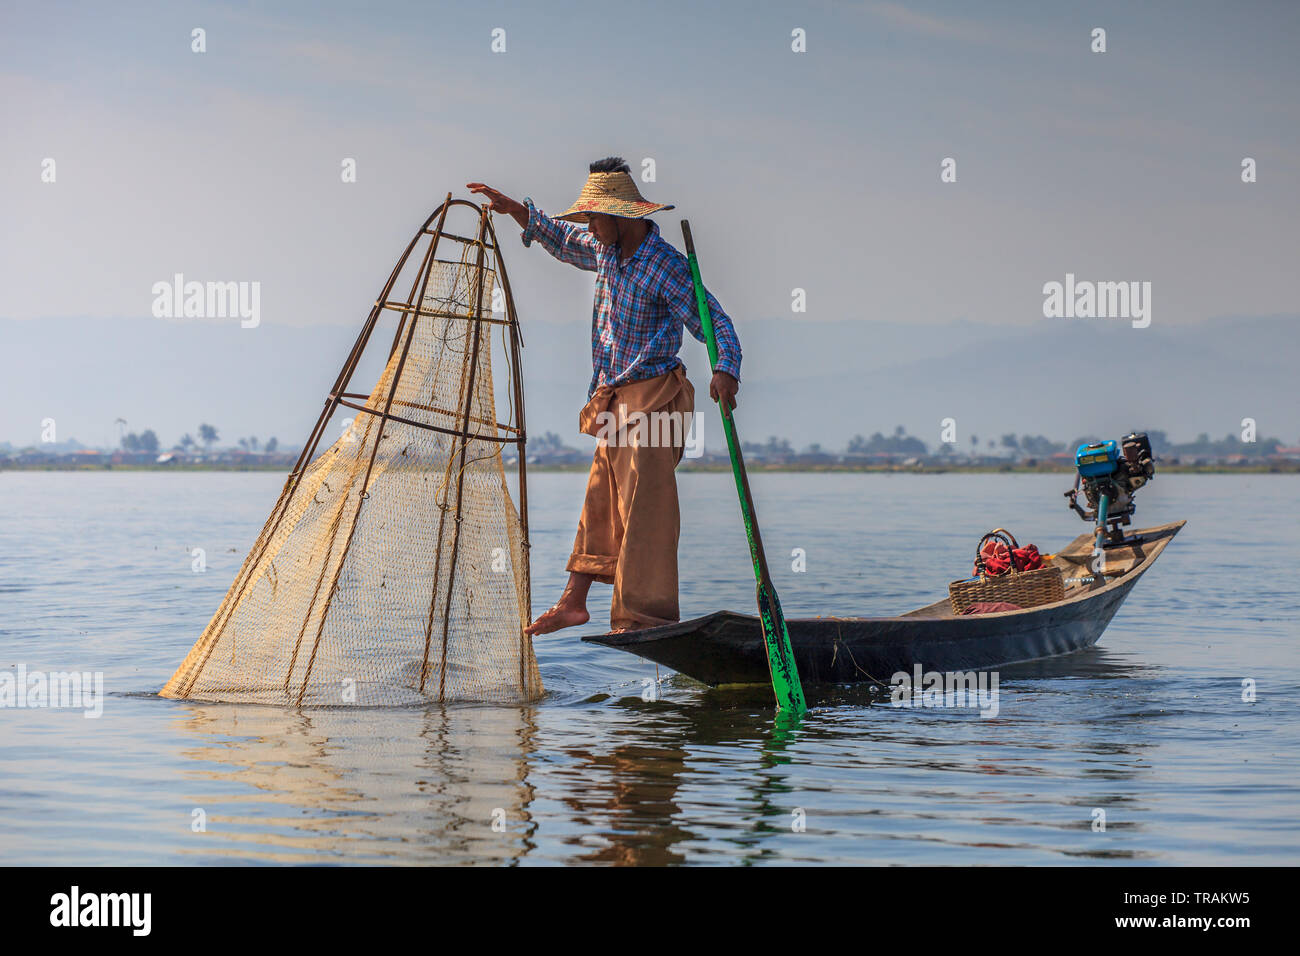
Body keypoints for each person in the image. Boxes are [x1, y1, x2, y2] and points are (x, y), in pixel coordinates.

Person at [467, 157, 743, 634]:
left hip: (655, 398)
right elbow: (563, 239)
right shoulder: (606, 250)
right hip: (615, 398)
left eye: (595, 218)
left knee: (646, 507)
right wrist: (518, 211)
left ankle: (643, 616)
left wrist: (726, 369)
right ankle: (574, 601)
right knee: (601, 498)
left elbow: (712, 320)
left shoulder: (665, 266)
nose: (589, 227)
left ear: (620, 217)